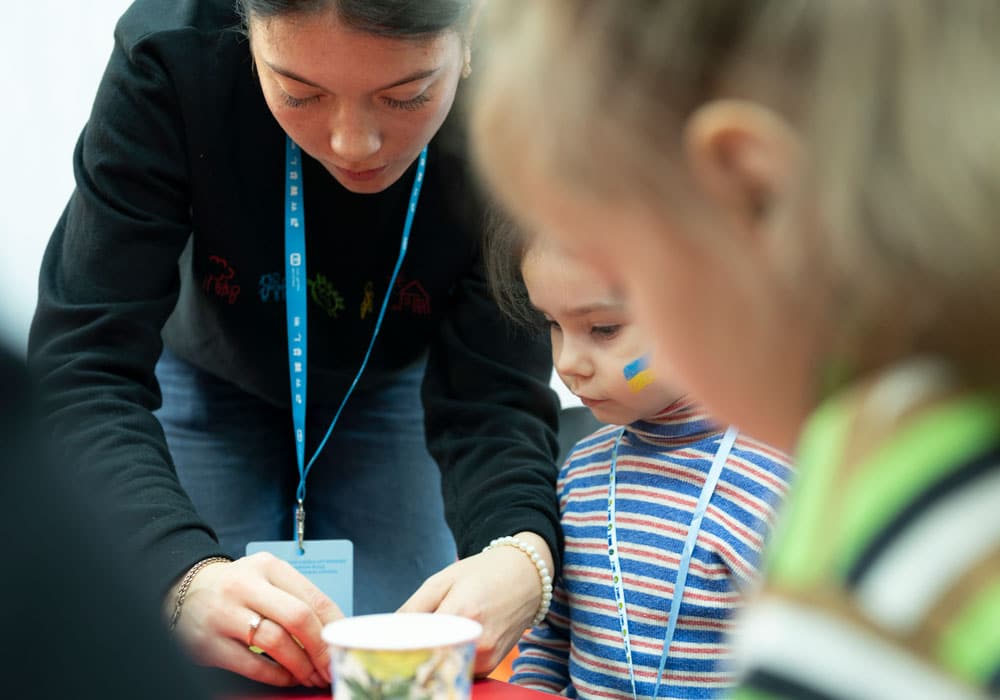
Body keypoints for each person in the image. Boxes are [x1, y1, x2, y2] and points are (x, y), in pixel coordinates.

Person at [27, 0, 562, 689]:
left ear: (468, 43)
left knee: (395, 668)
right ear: (245, 33)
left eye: (408, 96)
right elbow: (84, 362)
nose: (352, 142)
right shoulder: (171, 51)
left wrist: (523, 550)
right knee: (213, 652)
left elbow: (494, 390)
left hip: (396, 379)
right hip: (204, 371)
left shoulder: (520, 92)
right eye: (299, 92)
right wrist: (174, 572)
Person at [471, 1, 1000, 697]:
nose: (570, 362)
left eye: (617, 291)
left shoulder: (866, 524)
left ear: (750, 191)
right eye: (552, 324)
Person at [485, 231, 792, 697]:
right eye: (552, 324)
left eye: (604, 329)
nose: (569, 363)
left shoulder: (774, 483)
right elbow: (550, 643)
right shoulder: (581, 473)